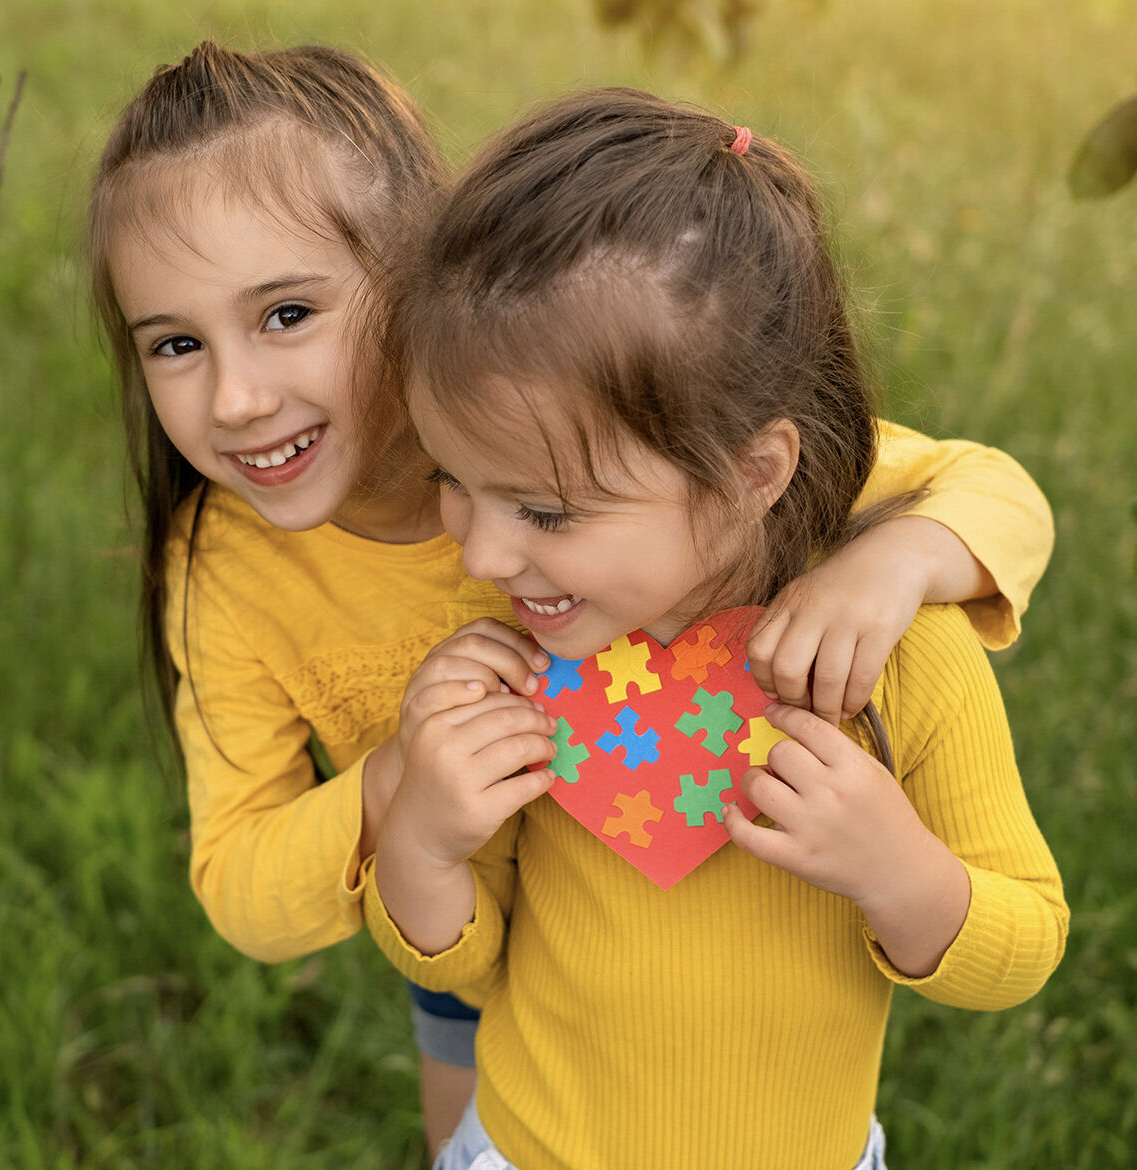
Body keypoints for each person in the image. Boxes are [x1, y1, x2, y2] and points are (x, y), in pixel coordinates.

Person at [89, 45, 1053, 1155]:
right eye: (173, 342)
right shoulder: (234, 572)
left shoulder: (598, 410)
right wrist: (409, 789)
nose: (240, 397)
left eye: (287, 315)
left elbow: (989, 487)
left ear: (414, 285)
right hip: (451, 879)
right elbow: (246, 886)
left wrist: (899, 562)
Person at [364, 89, 1069, 1169]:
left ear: (752, 473)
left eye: (546, 511)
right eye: (456, 483)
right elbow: (467, 961)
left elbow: (1022, 949)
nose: (483, 556)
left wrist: (895, 871)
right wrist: (420, 836)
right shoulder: (513, 653)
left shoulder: (899, 661)